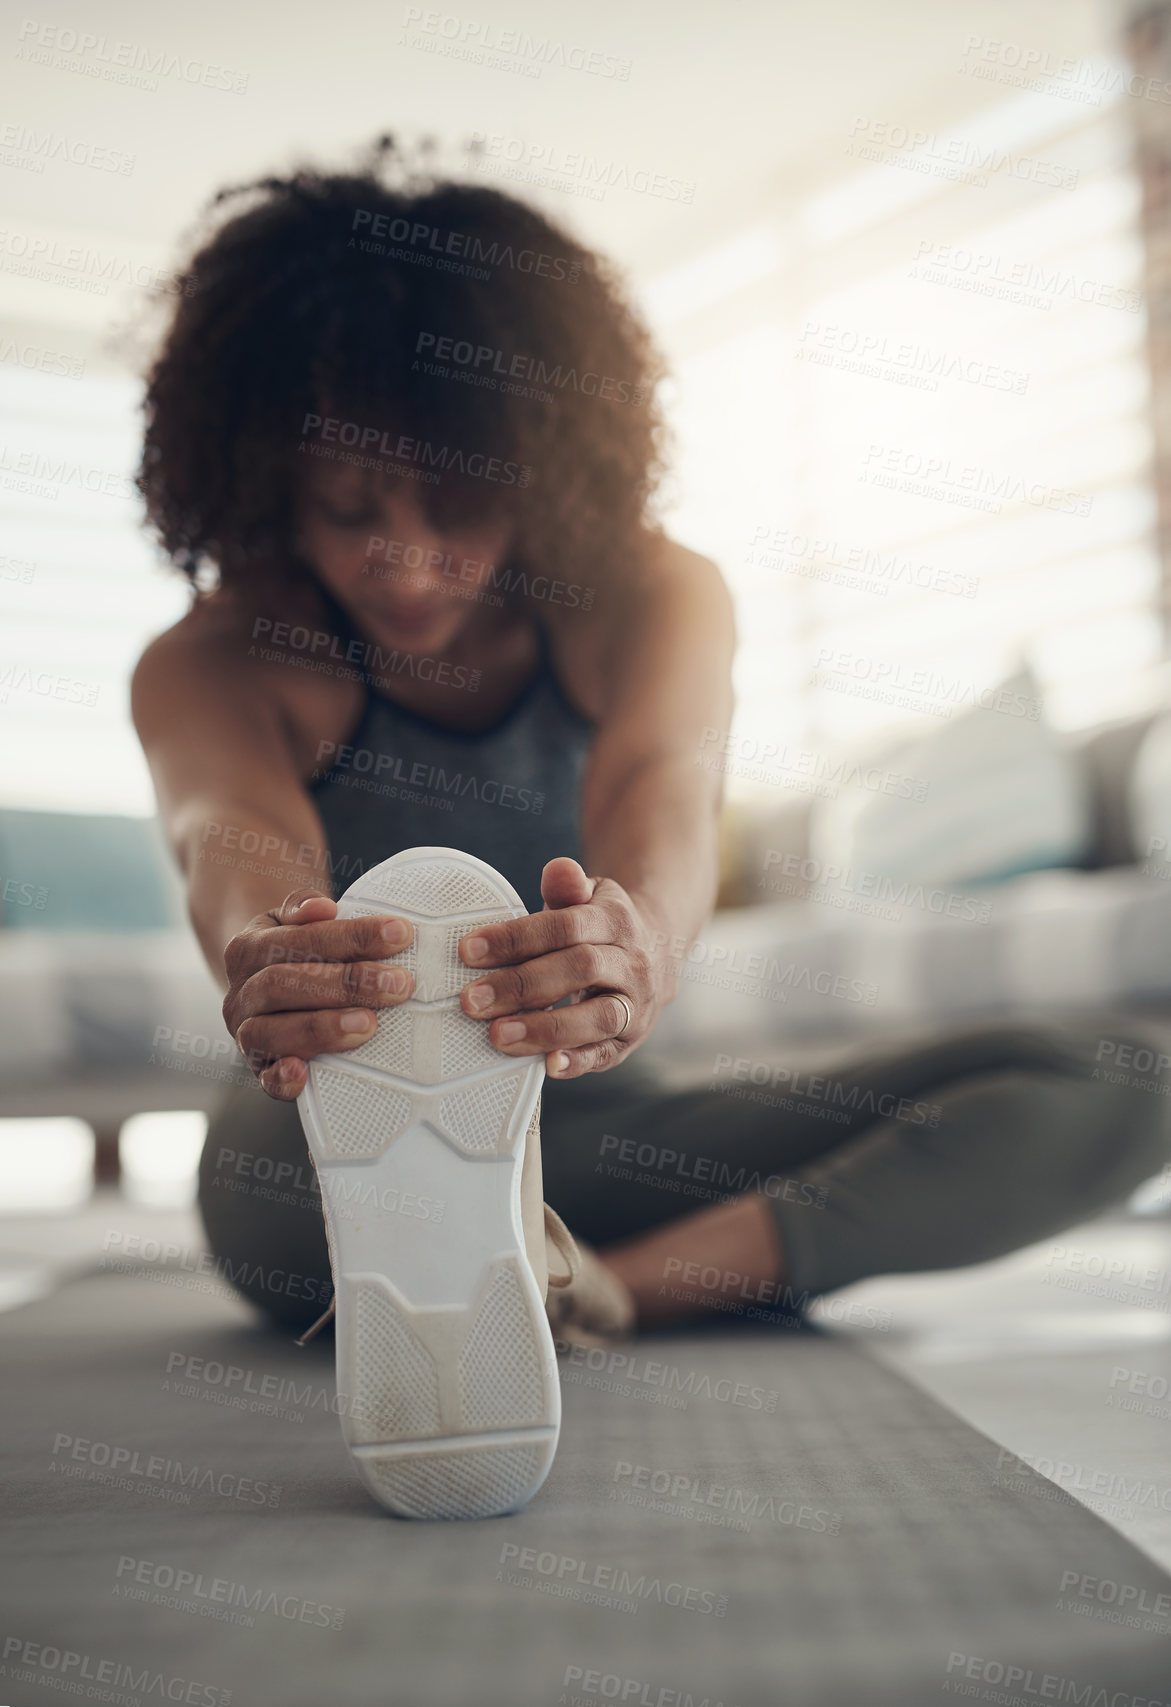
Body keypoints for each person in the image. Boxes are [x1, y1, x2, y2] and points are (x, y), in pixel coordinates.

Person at [134, 139, 1167, 1346]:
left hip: (595, 1129)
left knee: (1124, 1080)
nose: (408, 562)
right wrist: (269, 955)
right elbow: (227, 843)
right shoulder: (212, 659)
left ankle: (601, 1284)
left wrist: (639, 946)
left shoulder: (655, 596)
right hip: (342, 1140)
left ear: (539, 466)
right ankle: (545, 1263)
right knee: (270, 1200)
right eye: (347, 509)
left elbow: (660, 800)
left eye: (458, 503)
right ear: (267, 480)